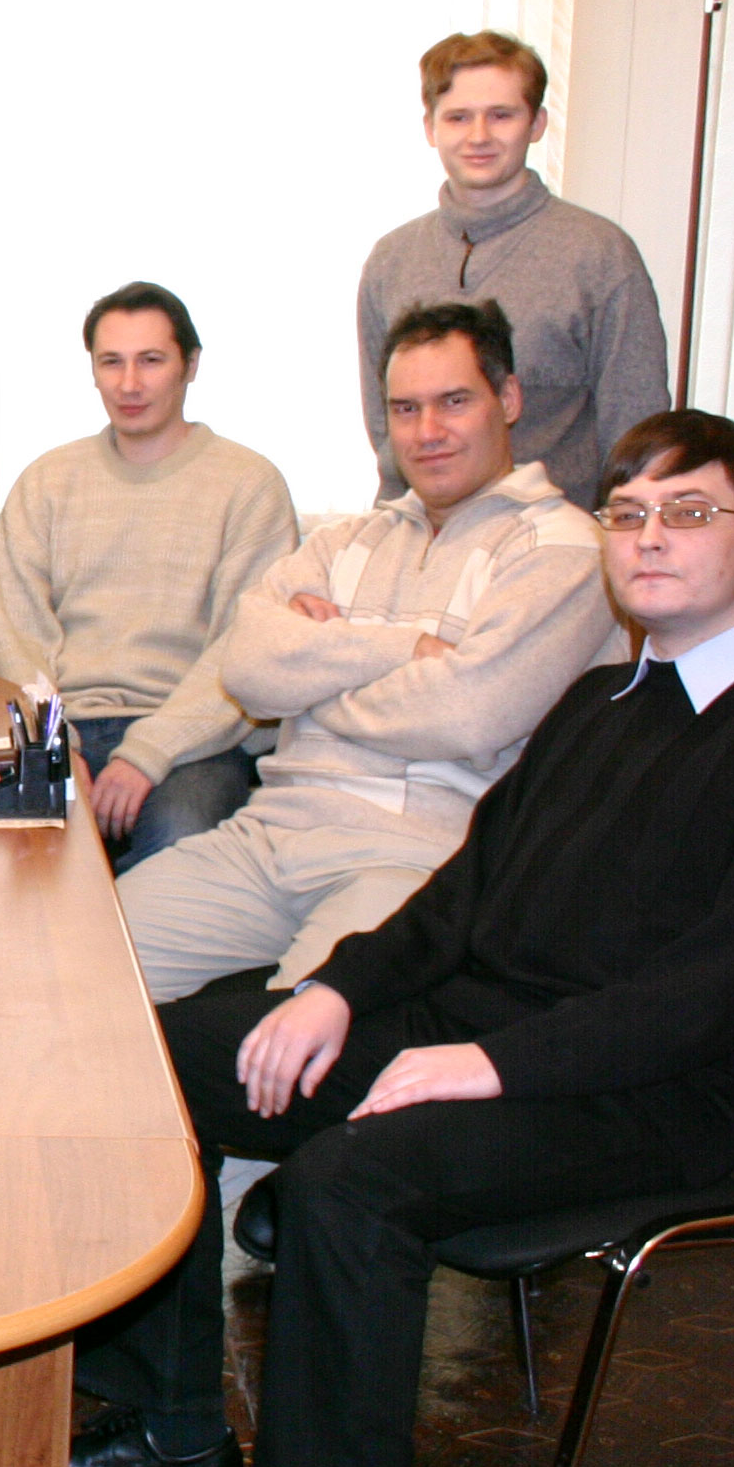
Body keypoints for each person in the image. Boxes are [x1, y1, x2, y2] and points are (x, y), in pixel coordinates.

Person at [83, 408, 734, 1467]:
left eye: (688, 513)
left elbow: (714, 993)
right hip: (498, 1031)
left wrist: (487, 1065)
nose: (649, 540)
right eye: (628, 515)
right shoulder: (603, 702)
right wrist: (341, 991)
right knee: (158, 1054)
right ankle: (172, 1421)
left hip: (655, 1092)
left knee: (351, 1183)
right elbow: (466, 897)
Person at [117, 301, 620, 1002]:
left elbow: (467, 714)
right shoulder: (345, 541)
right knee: (64, 971)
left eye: (453, 402)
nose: (427, 432)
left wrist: (314, 685)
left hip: (419, 860)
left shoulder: (565, 548)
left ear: (508, 399)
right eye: (405, 409)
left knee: (286, 1042)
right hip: (268, 837)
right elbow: (248, 670)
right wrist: (408, 650)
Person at [0, 282, 300, 871]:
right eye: (111, 362)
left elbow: (244, 648)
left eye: (151, 361)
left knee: (177, 843)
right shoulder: (47, 481)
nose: (129, 384)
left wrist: (147, 754)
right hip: (65, 726)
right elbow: (13, 634)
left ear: (190, 366)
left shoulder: (250, 485)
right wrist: (54, 749)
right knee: (0, 856)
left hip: (192, 740)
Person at [357, 30, 670, 509]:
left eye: (501, 115)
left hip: (558, 536)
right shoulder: (391, 260)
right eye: (458, 117)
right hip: (422, 534)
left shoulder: (600, 254)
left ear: (537, 123)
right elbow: (387, 429)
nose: (479, 136)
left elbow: (635, 429)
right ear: (430, 128)